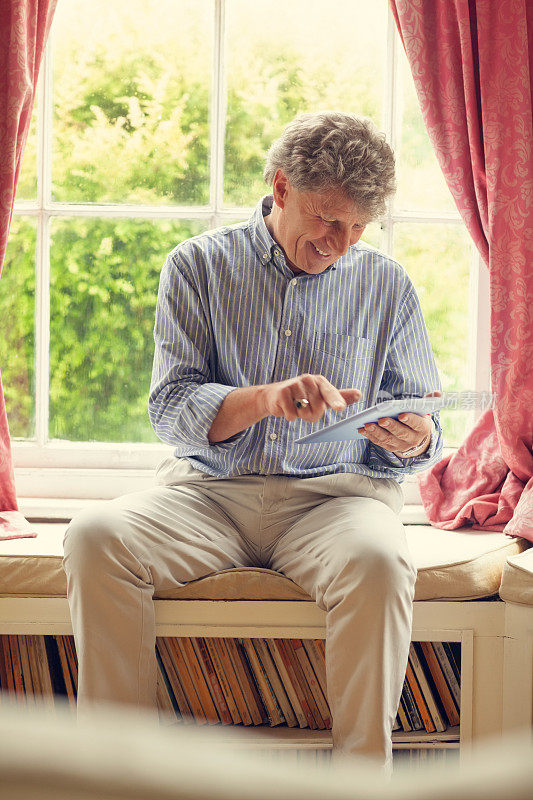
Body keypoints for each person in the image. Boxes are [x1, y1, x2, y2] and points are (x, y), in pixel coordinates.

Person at [63, 111, 443, 775]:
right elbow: (172, 409)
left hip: (335, 502)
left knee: (381, 562)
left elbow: (419, 425)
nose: (341, 243)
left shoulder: (386, 285)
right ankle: (113, 776)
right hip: (207, 496)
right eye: (328, 220)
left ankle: (363, 786)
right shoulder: (197, 267)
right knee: (95, 535)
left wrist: (412, 440)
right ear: (281, 187)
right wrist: (263, 399)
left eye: (357, 228)